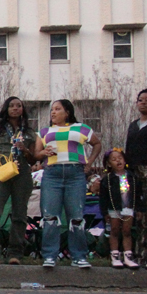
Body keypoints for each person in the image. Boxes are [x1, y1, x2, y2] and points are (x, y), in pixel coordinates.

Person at [33, 99, 102, 269]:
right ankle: (50, 255)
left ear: (67, 112)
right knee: (50, 217)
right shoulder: (44, 131)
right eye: (52, 110)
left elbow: (97, 144)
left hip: (76, 174)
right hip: (52, 175)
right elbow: (36, 154)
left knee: (76, 217)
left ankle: (79, 256)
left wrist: (90, 162)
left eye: (57, 109)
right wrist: (43, 152)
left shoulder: (82, 128)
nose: (53, 113)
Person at [0, 97, 37, 265]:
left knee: (19, 214)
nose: (15, 109)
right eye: (11, 106)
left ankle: (15, 253)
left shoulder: (29, 132)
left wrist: (24, 149)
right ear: (6, 109)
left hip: (22, 174)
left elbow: (33, 160)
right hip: (1, 174)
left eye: (19, 106)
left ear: (23, 109)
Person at [125, 88, 147, 269]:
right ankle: (143, 255)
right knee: (141, 215)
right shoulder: (133, 125)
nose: (143, 103)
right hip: (135, 174)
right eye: (140, 100)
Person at [99, 149, 144, 269]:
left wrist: (139, 209)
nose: (118, 161)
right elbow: (103, 198)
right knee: (114, 230)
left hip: (128, 207)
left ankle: (128, 256)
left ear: (125, 160)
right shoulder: (107, 179)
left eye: (120, 158)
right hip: (114, 208)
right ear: (109, 164)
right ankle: (115, 255)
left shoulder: (132, 177)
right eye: (113, 160)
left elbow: (137, 194)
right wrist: (104, 212)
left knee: (127, 231)